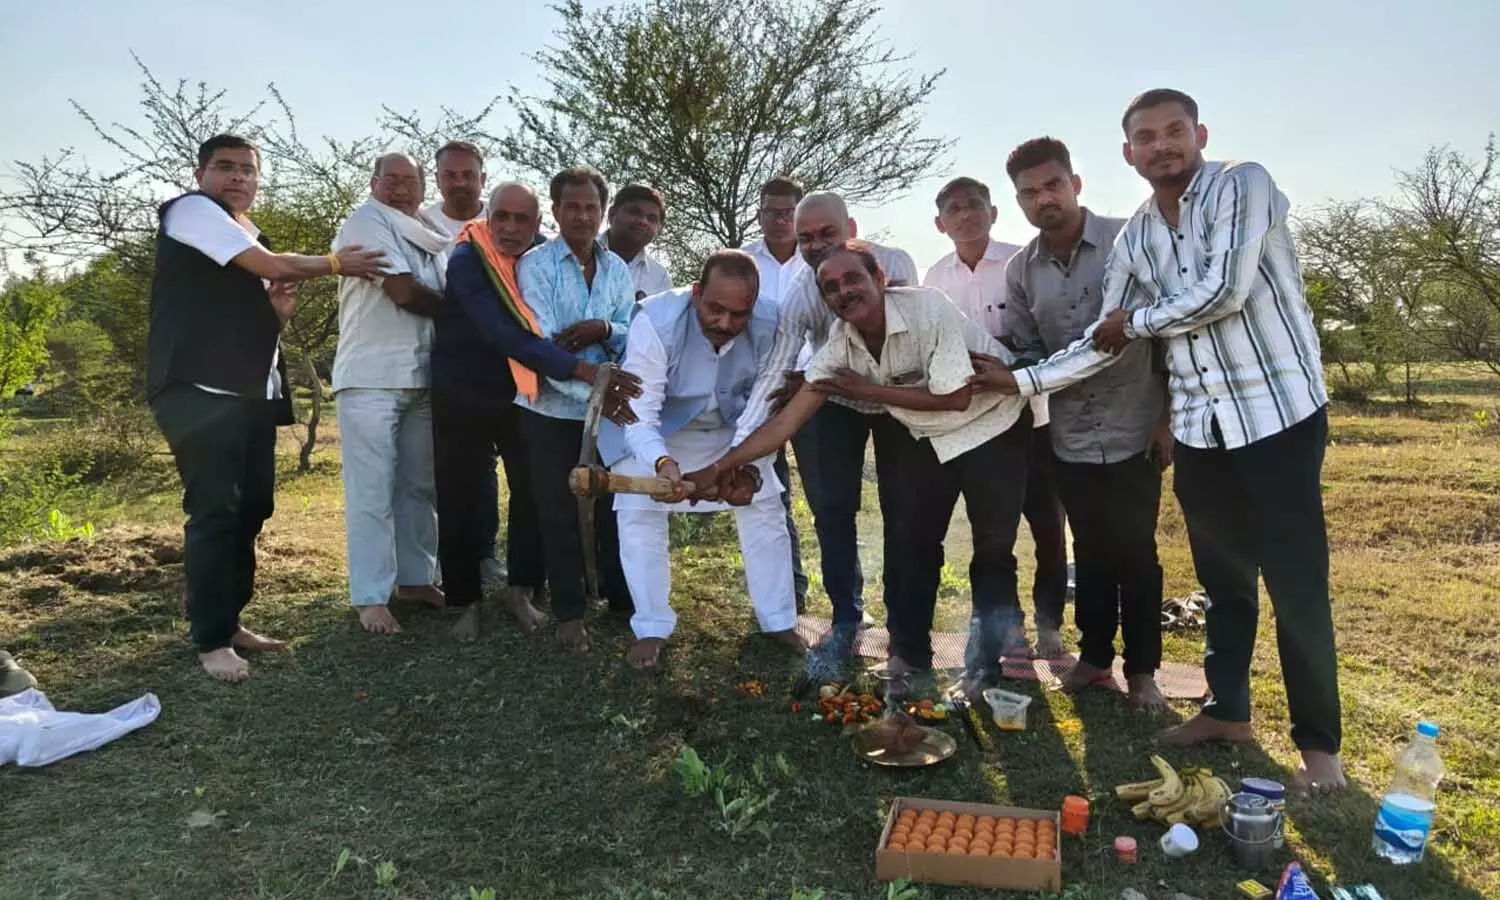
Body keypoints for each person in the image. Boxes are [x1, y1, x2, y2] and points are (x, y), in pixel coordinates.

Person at [971, 89, 1344, 794]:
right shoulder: (1138, 235)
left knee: (1297, 587)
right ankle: (1228, 711)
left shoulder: (1241, 184)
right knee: (1224, 584)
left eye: (1174, 131)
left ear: (1200, 133)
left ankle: (1319, 749)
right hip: (1204, 434)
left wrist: (1135, 323)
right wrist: (1021, 381)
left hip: (1278, 419)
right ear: (1128, 153)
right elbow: (1099, 338)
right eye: (1146, 137)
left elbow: (1224, 290)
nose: (1162, 145)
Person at [693, 241, 1031, 694]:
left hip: (994, 426)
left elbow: (956, 398)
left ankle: (984, 668)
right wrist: (722, 465)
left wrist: (867, 392)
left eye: (853, 278)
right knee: (913, 541)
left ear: (880, 279)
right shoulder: (840, 346)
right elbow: (786, 422)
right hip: (930, 433)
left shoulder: (927, 307)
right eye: (830, 287)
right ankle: (910, 657)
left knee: (991, 547)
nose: (843, 291)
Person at [147, 133, 386, 680]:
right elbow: (270, 263)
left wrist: (275, 315)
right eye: (225, 167)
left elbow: (252, 316)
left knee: (253, 507)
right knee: (215, 510)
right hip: (197, 390)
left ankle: (229, 619)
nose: (238, 177)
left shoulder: (246, 232)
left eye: (248, 169)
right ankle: (210, 638)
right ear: (201, 175)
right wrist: (336, 262)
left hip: (251, 395)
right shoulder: (192, 212)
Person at [1000, 137, 1172, 710]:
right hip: (1069, 432)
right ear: (1019, 201)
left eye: (1053, 185)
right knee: (1091, 551)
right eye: (1030, 192)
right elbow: (1029, 351)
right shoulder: (1021, 271)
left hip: (1135, 427)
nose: (1043, 199)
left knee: (1137, 552)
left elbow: (1170, 337)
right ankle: (1095, 657)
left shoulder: (1131, 240)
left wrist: (1167, 420)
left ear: (1075, 183)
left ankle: (1143, 671)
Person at [598, 250, 806, 669]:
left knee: (766, 506)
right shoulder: (655, 320)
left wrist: (741, 468)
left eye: (739, 314)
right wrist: (662, 465)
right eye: (715, 309)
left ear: (755, 305)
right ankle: (651, 626)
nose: (725, 323)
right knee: (637, 512)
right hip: (661, 430)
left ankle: (778, 620)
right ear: (696, 293)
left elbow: (767, 408)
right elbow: (640, 414)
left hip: (735, 430)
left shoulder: (775, 324)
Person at [732, 192, 919, 659]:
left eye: (826, 234)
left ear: (851, 229)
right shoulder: (802, 292)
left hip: (896, 399)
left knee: (903, 510)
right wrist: (741, 443)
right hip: (833, 400)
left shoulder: (896, 263)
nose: (815, 246)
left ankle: (903, 621)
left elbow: (912, 339)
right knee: (832, 510)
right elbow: (777, 368)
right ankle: (845, 618)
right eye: (805, 238)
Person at [924, 176, 1069, 660]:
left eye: (974, 205)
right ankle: (1010, 627)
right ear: (940, 223)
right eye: (954, 209)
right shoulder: (934, 278)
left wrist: (1003, 362)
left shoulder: (1021, 262)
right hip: (978, 424)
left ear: (993, 212)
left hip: (1034, 413)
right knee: (993, 532)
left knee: (1048, 526)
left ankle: (1050, 623)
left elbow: (1043, 334)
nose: (966, 215)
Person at [515, 165, 638, 653]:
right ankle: (570, 612)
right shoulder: (537, 265)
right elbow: (542, 344)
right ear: (556, 210)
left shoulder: (617, 269)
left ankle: (621, 599)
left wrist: (603, 329)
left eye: (591, 207)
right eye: (573, 207)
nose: (582, 216)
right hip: (549, 410)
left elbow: (630, 333)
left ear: (603, 211)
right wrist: (596, 386)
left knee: (613, 505)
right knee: (557, 511)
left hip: (608, 410)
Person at [332, 153, 450, 636]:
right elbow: (402, 291)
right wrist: (469, 315)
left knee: (419, 485)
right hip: (370, 378)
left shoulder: (429, 233)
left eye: (410, 181)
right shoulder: (365, 222)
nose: (400, 189)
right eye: (391, 180)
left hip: (421, 375)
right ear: (373, 184)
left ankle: (416, 579)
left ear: (423, 186)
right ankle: (371, 597)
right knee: (372, 489)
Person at [420, 140, 515, 593]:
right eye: (450, 175)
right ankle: (446, 562)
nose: (460, 183)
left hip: (505, 364)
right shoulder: (421, 225)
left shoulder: (503, 224)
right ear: (437, 179)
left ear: (483, 178)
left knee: (492, 466)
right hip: (447, 364)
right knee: (453, 468)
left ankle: (486, 553)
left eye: (468, 175)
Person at [741, 175, 813, 613]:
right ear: (759, 214)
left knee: (828, 502)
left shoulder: (819, 258)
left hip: (816, 390)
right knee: (770, 493)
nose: (780, 220)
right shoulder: (742, 261)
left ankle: (848, 603)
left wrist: (806, 379)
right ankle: (788, 593)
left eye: (789, 212)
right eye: (772, 212)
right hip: (761, 393)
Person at [602, 183, 673, 301]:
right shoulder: (578, 251)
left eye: (651, 218)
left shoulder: (660, 278)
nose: (643, 222)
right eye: (635, 212)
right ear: (612, 214)